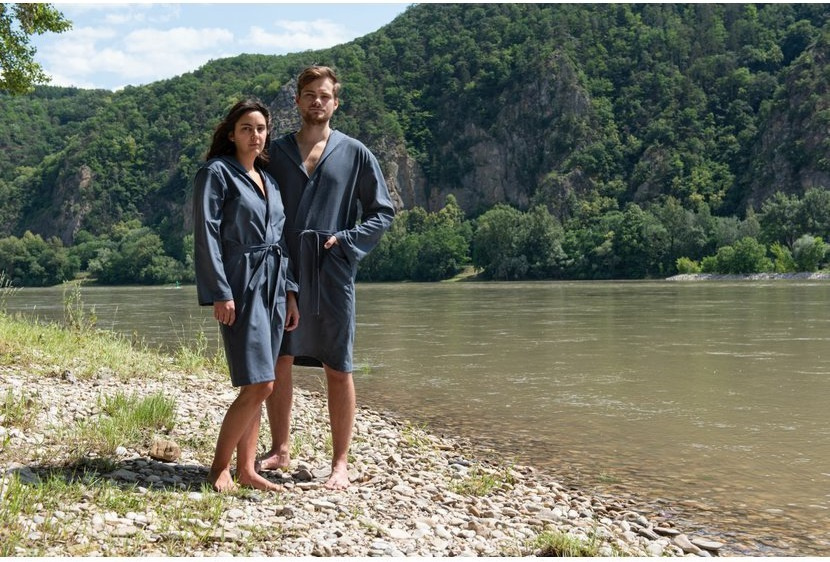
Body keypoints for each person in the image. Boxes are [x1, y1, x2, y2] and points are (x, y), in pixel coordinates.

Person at [260, 65, 395, 489]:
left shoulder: (356, 153)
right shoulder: (274, 153)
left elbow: (382, 212)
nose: (317, 102)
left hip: (333, 270)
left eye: (324, 96)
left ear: (335, 103)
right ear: (297, 101)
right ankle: (280, 449)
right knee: (280, 360)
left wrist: (347, 241)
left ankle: (340, 463)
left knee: (338, 366)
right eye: (309, 95)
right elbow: (258, 210)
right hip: (283, 268)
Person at [193, 98, 299, 492]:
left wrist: (290, 292)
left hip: (274, 287)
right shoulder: (216, 173)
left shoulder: (269, 181)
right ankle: (219, 467)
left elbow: (280, 240)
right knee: (260, 384)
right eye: (246, 129)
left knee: (259, 381)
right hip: (241, 282)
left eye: (261, 129)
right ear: (231, 134)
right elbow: (206, 234)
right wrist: (220, 291)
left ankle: (247, 470)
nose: (255, 135)